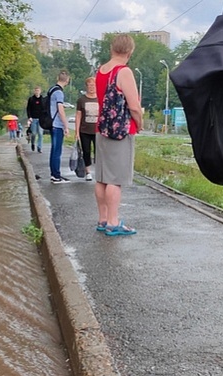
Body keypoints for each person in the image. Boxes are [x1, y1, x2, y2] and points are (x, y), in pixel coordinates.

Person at [94, 34, 143, 234]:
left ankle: (103, 219)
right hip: (121, 131)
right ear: (130, 52)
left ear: (111, 49)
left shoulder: (101, 71)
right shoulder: (124, 72)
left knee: (102, 177)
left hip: (102, 128)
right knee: (115, 179)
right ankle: (114, 223)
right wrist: (139, 124)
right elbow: (134, 107)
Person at [75, 77, 99, 181]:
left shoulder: (100, 99)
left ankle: (100, 171)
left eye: (93, 85)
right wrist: (77, 131)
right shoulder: (82, 100)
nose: (92, 87)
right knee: (86, 151)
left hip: (98, 130)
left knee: (99, 151)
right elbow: (78, 115)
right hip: (84, 130)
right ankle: (88, 171)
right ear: (86, 87)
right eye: (89, 85)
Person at [49, 71, 71, 184]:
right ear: (67, 81)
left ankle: (54, 174)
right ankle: (56, 176)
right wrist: (66, 126)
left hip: (51, 123)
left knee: (54, 150)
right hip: (57, 124)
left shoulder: (51, 90)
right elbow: (61, 110)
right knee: (57, 151)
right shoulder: (59, 93)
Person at [26, 86, 44, 153]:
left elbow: (45, 109)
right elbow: (28, 109)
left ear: (40, 91)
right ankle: (33, 143)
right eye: (36, 90)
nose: (37, 92)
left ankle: (39, 147)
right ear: (34, 91)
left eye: (38, 90)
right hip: (33, 118)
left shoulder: (42, 99)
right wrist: (29, 117)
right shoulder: (31, 99)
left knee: (40, 133)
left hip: (40, 119)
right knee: (33, 133)